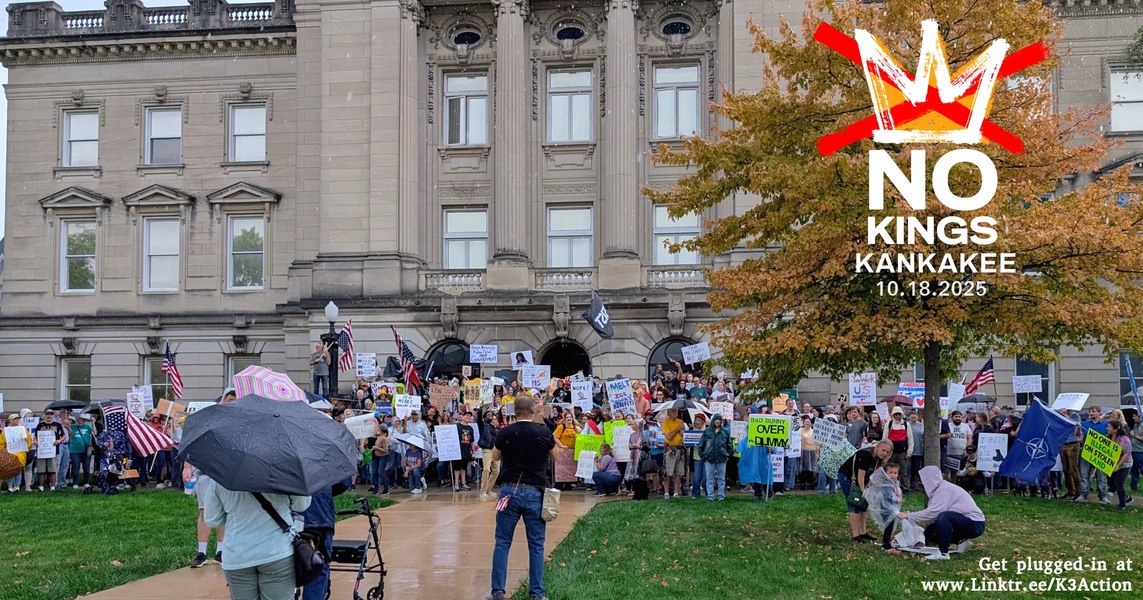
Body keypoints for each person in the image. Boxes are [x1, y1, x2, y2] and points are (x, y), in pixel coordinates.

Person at [488, 395, 557, 600]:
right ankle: (537, 593)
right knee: (536, 544)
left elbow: (495, 456)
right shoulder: (543, 432)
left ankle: (497, 591)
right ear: (534, 410)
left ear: (514, 411)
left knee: (502, 541)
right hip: (535, 490)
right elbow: (555, 456)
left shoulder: (505, 431)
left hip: (508, 490)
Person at [203, 481, 311, 600]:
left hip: (238, 554)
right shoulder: (284, 470)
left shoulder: (221, 475)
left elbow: (212, 520)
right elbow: (301, 505)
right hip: (277, 551)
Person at [901, 466, 986, 560]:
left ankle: (943, 553)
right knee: (930, 532)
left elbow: (933, 512)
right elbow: (931, 515)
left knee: (944, 516)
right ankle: (961, 541)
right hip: (968, 522)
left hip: (975, 524)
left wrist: (909, 516)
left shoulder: (944, 489)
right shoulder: (939, 490)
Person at [839, 440, 893, 543]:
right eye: (883, 450)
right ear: (877, 447)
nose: (884, 453)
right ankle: (855, 535)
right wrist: (864, 491)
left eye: (887, 452)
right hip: (848, 477)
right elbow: (861, 475)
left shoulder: (879, 459)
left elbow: (875, 476)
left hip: (863, 480)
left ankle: (863, 532)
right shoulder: (865, 455)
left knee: (863, 505)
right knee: (855, 504)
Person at [299, 485, 336, 600]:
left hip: (289, 519)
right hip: (321, 517)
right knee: (317, 569)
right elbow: (343, 481)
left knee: (286, 568)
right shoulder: (327, 466)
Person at [864, 463, 903, 553]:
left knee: (890, 526)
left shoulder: (894, 483)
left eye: (895, 473)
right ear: (885, 474)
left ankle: (887, 541)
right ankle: (886, 545)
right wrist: (897, 499)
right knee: (888, 526)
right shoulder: (886, 485)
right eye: (891, 473)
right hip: (887, 509)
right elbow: (887, 496)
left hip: (891, 509)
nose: (893, 475)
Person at [1075, 406, 1110, 504]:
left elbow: (1110, 436)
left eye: (1093, 411)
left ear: (1099, 413)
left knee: (1101, 476)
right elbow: (1078, 435)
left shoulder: (1106, 425)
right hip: (1086, 453)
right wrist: (1078, 428)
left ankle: (1103, 496)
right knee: (1084, 475)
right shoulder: (1084, 424)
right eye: (1090, 411)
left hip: (1100, 454)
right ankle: (1084, 494)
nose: (1091, 413)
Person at [699, 413, 733, 501]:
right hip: (709, 458)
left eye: (719, 420)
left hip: (721, 458)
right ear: (713, 420)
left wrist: (728, 455)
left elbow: (729, 445)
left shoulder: (725, 431)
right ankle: (710, 496)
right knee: (709, 478)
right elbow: (701, 445)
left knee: (721, 478)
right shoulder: (707, 431)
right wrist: (703, 456)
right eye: (716, 419)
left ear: (721, 421)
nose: (717, 421)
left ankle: (721, 496)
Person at [882, 406, 913, 489]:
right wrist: (884, 452)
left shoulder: (906, 424)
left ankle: (905, 487)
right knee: (890, 470)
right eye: (896, 414)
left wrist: (909, 452)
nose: (898, 416)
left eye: (899, 414)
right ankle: (890, 486)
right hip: (891, 453)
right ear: (893, 415)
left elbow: (910, 439)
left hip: (903, 452)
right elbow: (884, 438)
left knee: (904, 471)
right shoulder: (888, 424)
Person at [34, 409, 65, 492]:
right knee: (41, 469)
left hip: (53, 450)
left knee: (53, 469)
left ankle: (52, 487)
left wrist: (59, 441)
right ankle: (41, 487)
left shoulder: (57, 425)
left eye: (51, 414)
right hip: (42, 450)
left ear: (53, 415)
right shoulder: (40, 425)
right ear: (44, 415)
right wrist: (35, 441)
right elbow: (36, 436)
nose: (49, 416)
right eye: (47, 414)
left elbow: (63, 436)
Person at [736, 431, 773, 501]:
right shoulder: (747, 439)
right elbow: (740, 449)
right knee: (755, 479)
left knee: (765, 478)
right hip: (753, 462)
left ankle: (769, 495)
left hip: (763, 462)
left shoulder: (765, 438)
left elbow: (771, 449)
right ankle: (757, 495)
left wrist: (771, 449)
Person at [1107, 420, 1135, 510]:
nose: (1107, 428)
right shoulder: (1108, 437)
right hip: (1112, 464)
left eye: (1109, 427)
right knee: (1112, 483)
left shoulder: (1124, 439)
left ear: (1115, 429)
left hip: (1125, 465)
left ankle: (1122, 505)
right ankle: (1126, 497)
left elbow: (1127, 453)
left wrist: (1118, 465)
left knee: (1119, 484)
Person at [2, 413, 33, 492]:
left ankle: (17, 486)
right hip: (10, 454)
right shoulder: (5, 431)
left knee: (18, 470)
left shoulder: (23, 430)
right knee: (10, 470)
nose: (16, 421)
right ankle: (10, 486)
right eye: (14, 419)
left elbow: (29, 441)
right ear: (10, 421)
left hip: (20, 454)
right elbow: (1, 443)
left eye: (17, 419)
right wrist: (4, 450)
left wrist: (26, 442)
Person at [660, 408, 686, 499]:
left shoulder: (680, 421)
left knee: (679, 472)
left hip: (680, 449)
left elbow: (683, 434)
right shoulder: (666, 422)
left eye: (677, 411)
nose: (676, 412)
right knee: (668, 471)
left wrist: (682, 432)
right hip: (671, 449)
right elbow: (669, 437)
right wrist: (677, 429)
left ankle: (676, 492)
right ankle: (666, 492)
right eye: (673, 411)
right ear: (668, 412)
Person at [478, 407, 500, 498]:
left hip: (496, 450)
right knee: (486, 469)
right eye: (488, 415)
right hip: (487, 450)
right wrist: (482, 408)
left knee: (496, 471)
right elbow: (479, 418)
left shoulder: (497, 429)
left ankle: (488, 490)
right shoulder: (483, 426)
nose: (492, 418)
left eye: (493, 417)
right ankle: (483, 491)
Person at [69, 413, 95, 489]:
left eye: (81, 420)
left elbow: (95, 433)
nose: (80, 421)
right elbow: (71, 434)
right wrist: (67, 425)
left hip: (86, 450)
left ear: (84, 421)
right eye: (78, 420)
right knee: (75, 467)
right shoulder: (73, 426)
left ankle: (86, 482)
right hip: (74, 450)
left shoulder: (88, 427)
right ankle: (75, 483)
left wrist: (93, 423)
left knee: (86, 467)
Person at [689, 413, 708, 498]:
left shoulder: (707, 430)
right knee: (696, 476)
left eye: (699, 420)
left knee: (706, 477)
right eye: (696, 420)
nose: (697, 422)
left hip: (706, 456)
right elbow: (687, 442)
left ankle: (708, 493)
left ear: (703, 422)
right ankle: (695, 494)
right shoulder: (691, 430)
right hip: (696, 456)